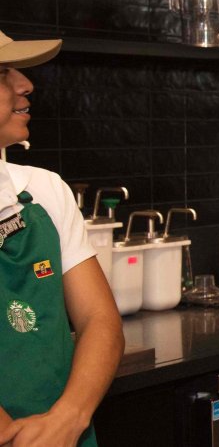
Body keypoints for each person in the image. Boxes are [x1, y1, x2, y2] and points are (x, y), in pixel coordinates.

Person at [0, 31, 123, 447]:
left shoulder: (45, 191)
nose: (25, 84)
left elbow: (99, 320)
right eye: (3, 72)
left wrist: (68, 419)